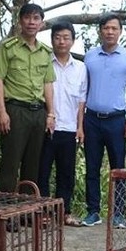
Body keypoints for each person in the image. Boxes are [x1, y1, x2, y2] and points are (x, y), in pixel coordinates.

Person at [82, 13, 126, 228]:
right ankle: (93, 211)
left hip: (117, 120)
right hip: (92, 119)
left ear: (120, 31)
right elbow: (82, 89)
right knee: (92, 166)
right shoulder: (89, 56)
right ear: (100, 30)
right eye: (106, 28)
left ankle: (117, 213)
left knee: (118, 169)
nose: (110, 32)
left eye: (114, 28)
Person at [0, 3, 56, 193]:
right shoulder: (8, 48)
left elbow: (48, 84)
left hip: (38, 112)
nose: (31, 22)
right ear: (20, 21)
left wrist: (51, 114)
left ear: (41, 23)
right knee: (10, 163)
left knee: (32, 164)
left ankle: (25, 213)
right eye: (27, 17)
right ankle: (5, 213)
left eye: (36, 18)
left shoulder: (45, 52)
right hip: (15, 111)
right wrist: (1, 111)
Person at [37, 22, 87, 226]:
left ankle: (64, 212)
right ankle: (43, 213)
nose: (61, 41)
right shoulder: (44, 63)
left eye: (66, 37)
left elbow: (82, 100)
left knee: (66, 173)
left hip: (69, 128)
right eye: (57, 37)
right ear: (51, 40)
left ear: (73, 41)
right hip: (46, 126)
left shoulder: (81, 68)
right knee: (43, 171)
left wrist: (80, 126)